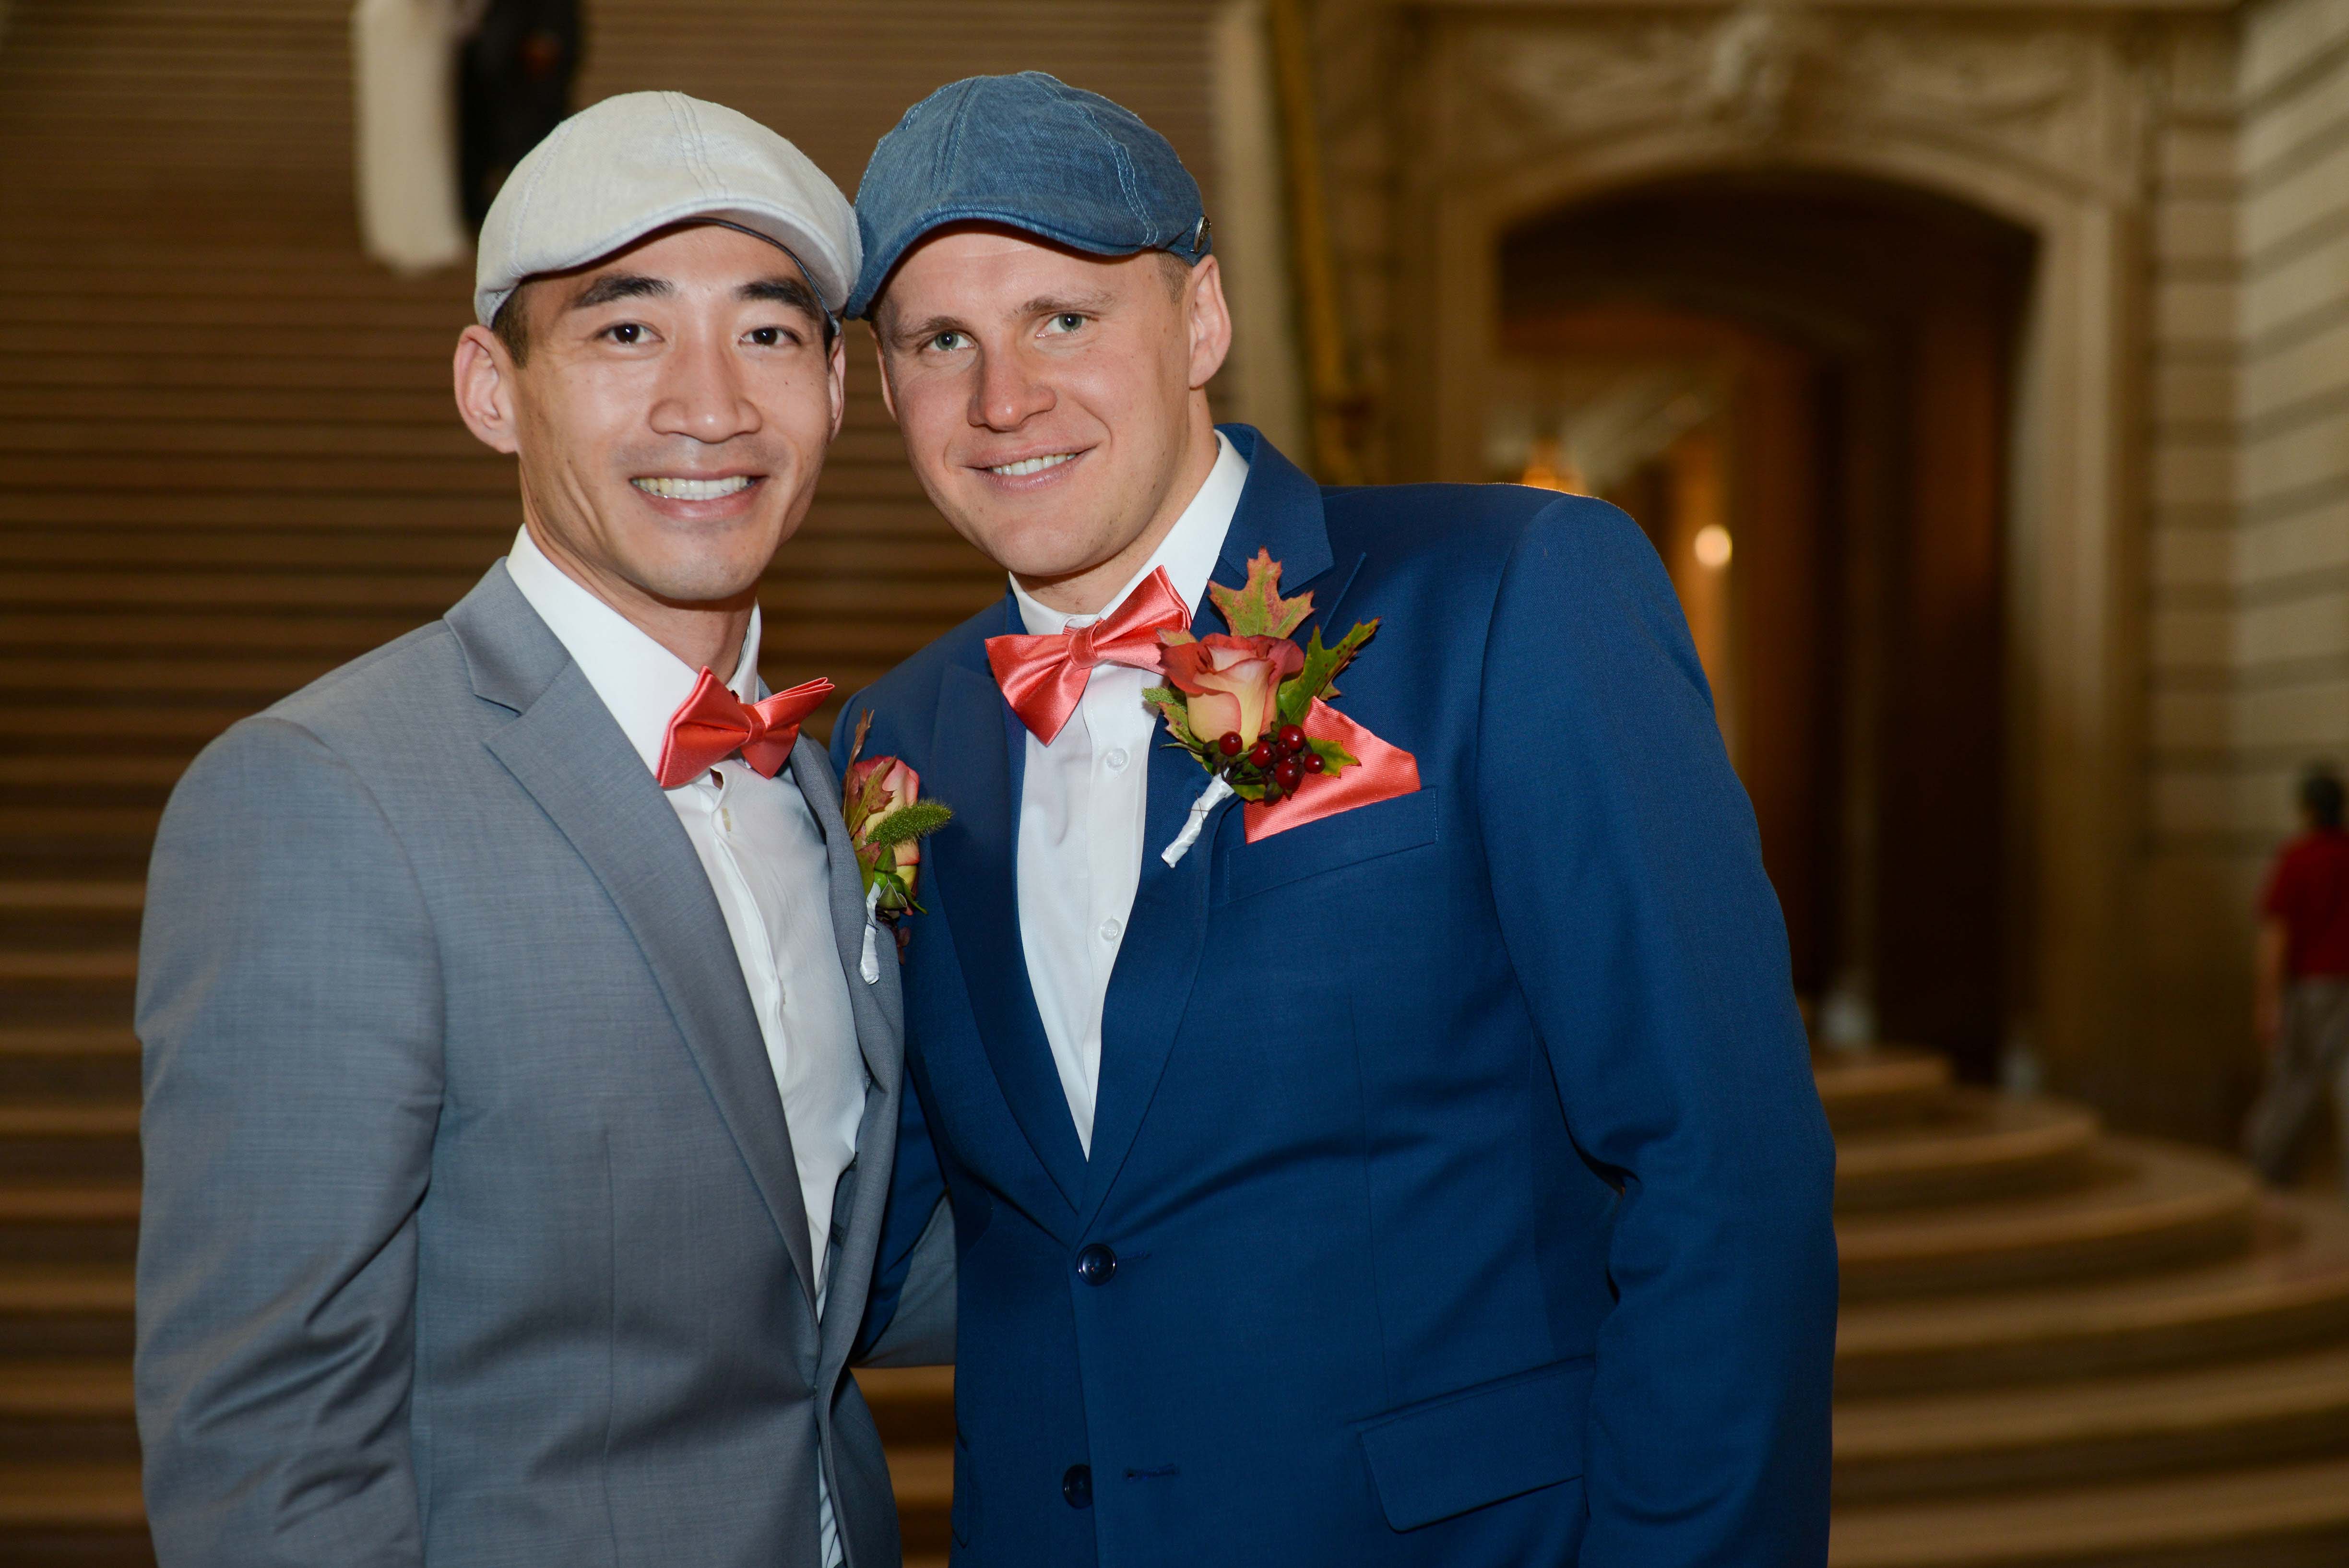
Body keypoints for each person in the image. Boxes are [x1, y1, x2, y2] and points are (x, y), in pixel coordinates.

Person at [833, 71, 1838, 1568]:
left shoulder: (1512, 598)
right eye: (941, 342)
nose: (1002, 398)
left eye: (1064, 317)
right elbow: (892, 1224)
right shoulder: (897, 739)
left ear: (1206, 321)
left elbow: (1722, 1173)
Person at [137, 91, 945, 1568]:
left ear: (838, 385)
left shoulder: (828, 792)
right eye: (625, 332)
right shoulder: (324, 797)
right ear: (490, 387)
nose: (712, 405)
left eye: (769, 332)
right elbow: (267, 1443)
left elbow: (826, 1272)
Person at [2245, 763, 2349, 1188]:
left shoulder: (2296, 859)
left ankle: (2263, 1171)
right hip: (2346, 987)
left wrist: (2267, 1002)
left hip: (2308, 987)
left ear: (2306, 809)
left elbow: (2276, 938)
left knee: (2293, 1083)